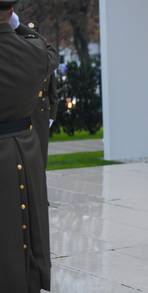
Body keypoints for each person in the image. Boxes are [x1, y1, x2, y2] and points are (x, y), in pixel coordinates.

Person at [0, 3, 58, 292]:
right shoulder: (36, 51)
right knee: (23, 232)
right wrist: (16, 24)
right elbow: (47, 49)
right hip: (24, 146)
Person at [21, 21, 58, 167]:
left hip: (42, 110)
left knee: (41, 152)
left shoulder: (45, 60)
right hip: (24, 109)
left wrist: (52, 115)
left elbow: (52, 91)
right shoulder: (20, 58)